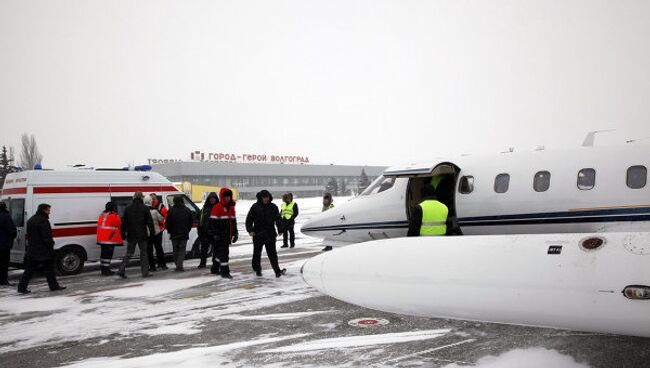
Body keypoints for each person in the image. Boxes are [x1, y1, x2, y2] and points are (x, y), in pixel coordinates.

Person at [17, 204, 66, 294]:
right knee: (49, 270)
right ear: (44, 210)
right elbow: (46, 237)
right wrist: (51, 246)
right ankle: (54, 286)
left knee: (29, 270)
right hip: (43, 250)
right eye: (48, 210)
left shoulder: (31, 220)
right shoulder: (43, 221)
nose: (49, 212)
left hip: (32, 249)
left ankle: (21, 287)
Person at [246, 190, 287, 278]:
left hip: (270, 234)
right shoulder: (255, 207)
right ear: (261, 198)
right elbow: (249, 219)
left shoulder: (273, 207)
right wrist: (250, 230)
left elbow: (278, 219)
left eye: (267, 197)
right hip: (258, 234)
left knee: (272, 254)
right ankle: (257, 270)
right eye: (263, 197)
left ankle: (277, 271)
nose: (265, 199)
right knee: (257, 254)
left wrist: (280, 229)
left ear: (269, 197)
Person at [117, 192, 155, 279]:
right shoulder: (145, 208)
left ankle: (121, 270)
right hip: (142, 235)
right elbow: (150, 222)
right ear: (141, 198)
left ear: (134, 197)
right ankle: (145, 272)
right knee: (144, 254)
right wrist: (152, 234)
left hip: (131, 235)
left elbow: (123, 223)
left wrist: (122, 234)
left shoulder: (127, 208)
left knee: (129, 253)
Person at [208, 188, 238, 278]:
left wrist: (235, 233)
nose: (228, 198)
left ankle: (214, 269)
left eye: (229, 196)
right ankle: (225, 272)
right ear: (222, 197)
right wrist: (215, 234)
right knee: (224, 255)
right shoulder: (217, 207)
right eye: (226, 197)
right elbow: (212, 223)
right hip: (220, 236)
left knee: (219, 254)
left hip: (227, 236)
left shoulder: (232, 208)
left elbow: (233, 222)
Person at [165, 196, 194, 272]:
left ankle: (178, 265)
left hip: (174, 234)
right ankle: (179, 265)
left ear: (174, 201)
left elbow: (167, 223)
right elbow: (191, 222)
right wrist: (187, 230)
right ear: (182, 201)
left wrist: (169, 230)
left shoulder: (171, 211)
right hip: (184, 234)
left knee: (175, 250)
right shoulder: (187, 210)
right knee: (182, 250)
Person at [96, 202, 123, 276]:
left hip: (102, 238)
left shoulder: (102, 214)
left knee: (103, 255)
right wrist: (117, 215)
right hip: (109, 239)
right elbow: (118, 223)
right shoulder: (112, 215)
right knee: (108, 255)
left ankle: (103, 269)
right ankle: (106, 270)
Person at [144, 195, 166, 271]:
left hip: (147, 233)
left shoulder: (142, 211)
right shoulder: (154, 211)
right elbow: (161, 219)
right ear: (150, 202)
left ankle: (152, 267)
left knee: (149, 251)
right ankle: (163, 265)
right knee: (159, 249)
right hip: (156, 232)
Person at [197, 192, 219, 268]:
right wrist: (200, 232)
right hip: (205, 233)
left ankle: (215, 264)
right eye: (211, 198)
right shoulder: (204, 208)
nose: (212, 200)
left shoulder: (219, 208)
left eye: (214, 198)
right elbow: (199, 221)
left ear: (216, 199)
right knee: (204, 249)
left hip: (215, 233)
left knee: (216, 250)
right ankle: (202, 263)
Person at [0, 201, 17, 286]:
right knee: (4, 263)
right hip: (4, 244)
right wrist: (13, 236)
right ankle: (3, 281)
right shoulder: (6, 216)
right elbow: (12, 230)